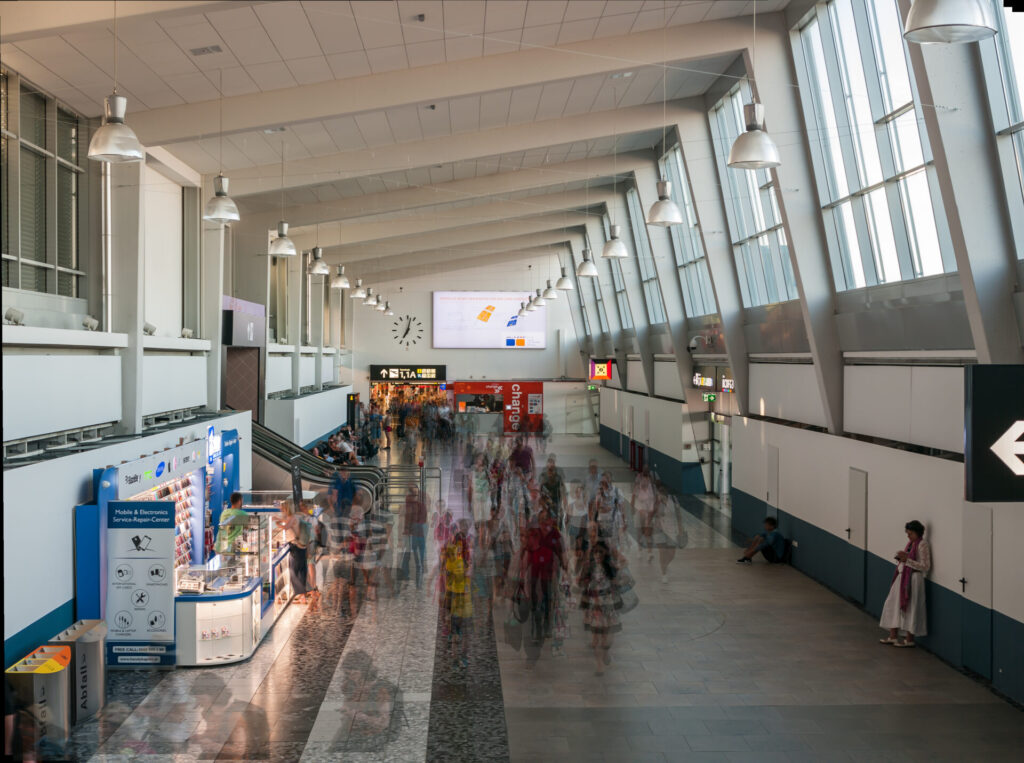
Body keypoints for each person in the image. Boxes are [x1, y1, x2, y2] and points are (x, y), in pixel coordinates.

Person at [879, 520, 931, 647]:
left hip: (913, 580)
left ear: (917, 533)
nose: (908, 536)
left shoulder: (922, 545)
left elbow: (925, 566)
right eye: (907, 534)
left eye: (911, 533)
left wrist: (907, 560)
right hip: (903, 579)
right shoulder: (910, 544)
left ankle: (909, 639)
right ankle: (893, 636)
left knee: (911, 608)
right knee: (893, 604)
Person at [578, 540, 622, 675]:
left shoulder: (610, 567)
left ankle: (605, 652)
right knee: (597, 632)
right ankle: (599, 665)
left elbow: (617, 583)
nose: (597, 554)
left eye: (600, 552)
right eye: (595, 551)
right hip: (595, 604)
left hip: (608, 604)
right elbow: (581, 583)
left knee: (607, 636)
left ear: (605, 554)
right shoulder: (589, 566)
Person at [443, 531, 473, 667]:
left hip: (463, 600)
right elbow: (448, 575)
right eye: (458, 545)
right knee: (456, 628)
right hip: (455, 596)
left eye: (462, 545)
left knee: (464, 632)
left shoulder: (465, 561)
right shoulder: (452, 561)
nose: (459, 548)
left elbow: (469, 579)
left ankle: (462, 657)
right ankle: (456, 657)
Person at [280, 499, 311, 603]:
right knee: (302, 570)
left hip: (295, 547)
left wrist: (277, 522)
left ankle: (300, 594)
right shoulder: (295, 516)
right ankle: (303, 595)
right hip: (301, 546)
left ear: (286, 508)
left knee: (293, 571)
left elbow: (285, 527)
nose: (281, 509)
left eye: (282, 507)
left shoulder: (292, 518)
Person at [402, 484, 428, 590]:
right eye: (412, 492)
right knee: (412, 558)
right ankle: (411, 580)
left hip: (416, 534)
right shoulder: (410, 504)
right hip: (413, 534)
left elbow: (423, 519)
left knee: (416, 559)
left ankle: (415, 581)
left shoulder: (419, 504)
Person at [539, 456, 567, 528]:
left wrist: (564, 503)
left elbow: (563, 490)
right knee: (547, 519)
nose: (551, 473)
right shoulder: (543, 478)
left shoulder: (558, 478)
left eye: (553, 463)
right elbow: (540, 492)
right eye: (549, 471)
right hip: (547, 502)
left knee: (556, 519)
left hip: (556, 502)